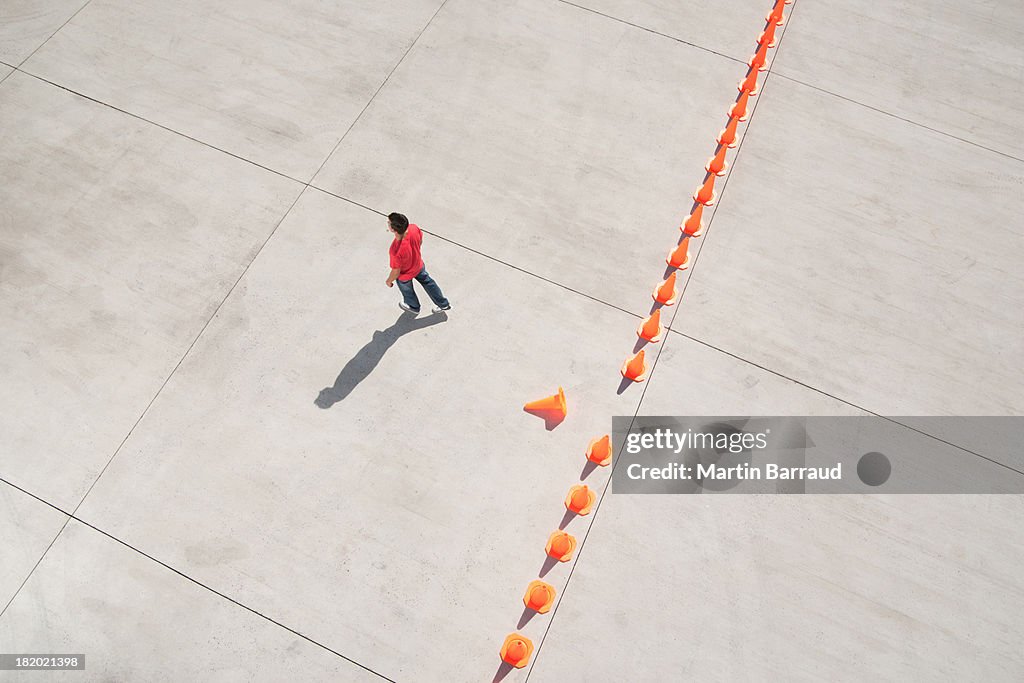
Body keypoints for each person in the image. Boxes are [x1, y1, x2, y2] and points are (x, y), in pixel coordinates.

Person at [385, 212, 451, 314]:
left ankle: (413, 306)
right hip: (418, 265)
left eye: (388, 223)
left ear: (393, 229)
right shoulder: (413, 228)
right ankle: (443, 304)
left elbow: (396, 271)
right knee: (429, 282)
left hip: (405, 275)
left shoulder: (395, 250)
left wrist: (389, 281)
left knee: (407, 291)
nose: (387, 223)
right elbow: (420, 241)